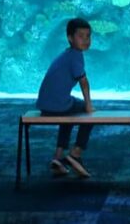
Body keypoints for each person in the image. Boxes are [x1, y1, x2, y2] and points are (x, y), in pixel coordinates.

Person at [35, 17, 95, 177]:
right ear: (70, 37)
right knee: (89, 116)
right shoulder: (75, 56)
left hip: (44, 105)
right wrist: (89, 105)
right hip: (59, 105)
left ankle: (58, 156)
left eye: (88, 36)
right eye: (81, 36)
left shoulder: (66, 54)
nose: (86, 40)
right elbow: (84, 82)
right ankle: (76, 153)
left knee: (68, 114)